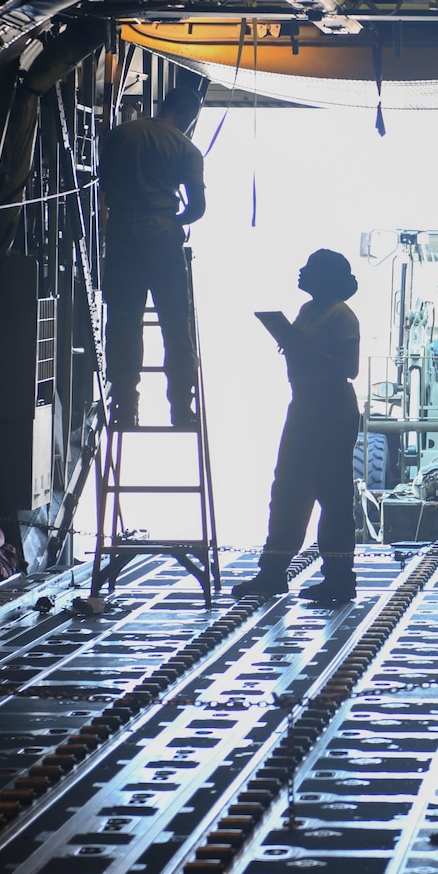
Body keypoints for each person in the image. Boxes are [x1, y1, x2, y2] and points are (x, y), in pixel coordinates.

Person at [234, 249, 363, 605]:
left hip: (329, 406)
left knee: (332, 495)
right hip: (305, 403)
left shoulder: (341, 315)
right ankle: (272, 573)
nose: (301, 272)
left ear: (325, 277)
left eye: (309, 268)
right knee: (287, 488)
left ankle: (339, 578)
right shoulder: (309, 311)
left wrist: (298, 347)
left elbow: (349, 368)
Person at [101, 86, 206, 429]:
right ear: (190, 115)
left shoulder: (121, 135)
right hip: (162, 238)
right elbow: (197, 209)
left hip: (121, 235)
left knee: (123, 321)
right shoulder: (186, 148)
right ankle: (180, 408)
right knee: (175, 326)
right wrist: (172, 220)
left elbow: (103, 183)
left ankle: (125, 406)